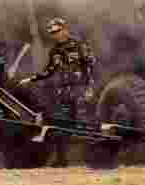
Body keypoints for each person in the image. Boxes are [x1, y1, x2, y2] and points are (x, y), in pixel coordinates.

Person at [20, 17, 97, 166]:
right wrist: (31, 79)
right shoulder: (54, 50)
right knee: (61, 125)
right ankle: (62, 160)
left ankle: (96, 157)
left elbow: (90, 65)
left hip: (80, 88)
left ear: (65, 29)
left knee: (85, 124)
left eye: (57, 31)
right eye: (52, 33)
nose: (55, 34)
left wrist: (89, 87)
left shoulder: (79, 45)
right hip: (63, 91)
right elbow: (49, 70)